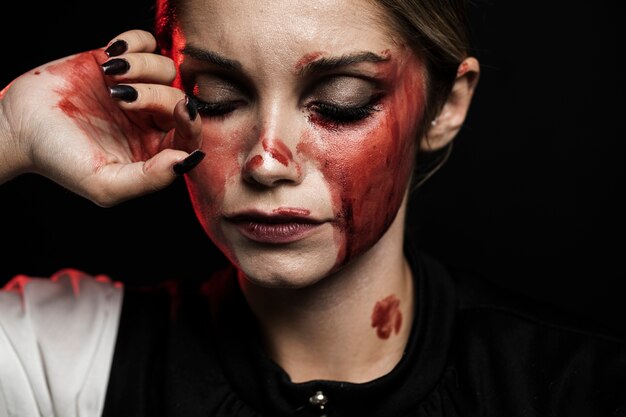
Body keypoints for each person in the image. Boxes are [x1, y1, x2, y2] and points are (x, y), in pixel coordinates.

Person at [0, 1, 624, 417]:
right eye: (215, 97)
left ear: (447, 105)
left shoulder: (581, 386)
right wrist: (10, 130)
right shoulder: (64, 361)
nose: (268, 161)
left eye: (341, 100)